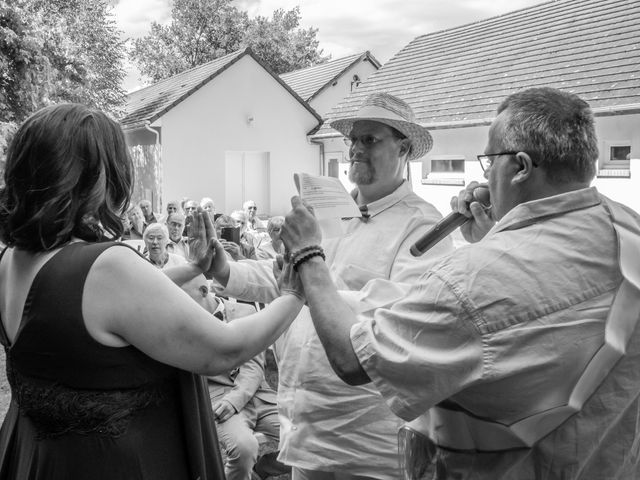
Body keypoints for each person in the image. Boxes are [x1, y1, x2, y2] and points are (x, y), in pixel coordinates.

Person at [279, 87, 640, 479]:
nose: (482, 178)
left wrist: (307, 256)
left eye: (488, 162)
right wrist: (501, 233)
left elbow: (352, 359)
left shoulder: (468, 280)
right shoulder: (630, 231)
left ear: (519, 167)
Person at [0, 103, 305, 480]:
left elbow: (106, 309)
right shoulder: (106, 267)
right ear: (97, 177)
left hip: (36, 458)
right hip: (113, 463)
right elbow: (223, 349)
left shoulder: (12, 260)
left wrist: (194, 269)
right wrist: (293, 294)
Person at [209, 92, 452, 479]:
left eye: (370, 140)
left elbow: (396, 320)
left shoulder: (423, 226)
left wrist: (312, 271)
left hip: (368, 442)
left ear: (403, 148)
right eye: (352, 140)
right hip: (305, 429)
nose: (355, 149)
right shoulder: (327, 212)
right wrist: (225, 270)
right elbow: (291, 284)